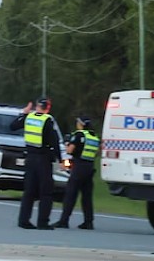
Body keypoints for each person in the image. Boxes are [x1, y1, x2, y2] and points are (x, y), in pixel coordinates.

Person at [11, 97, 62, 229]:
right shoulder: (47, 120)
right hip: (43, 159)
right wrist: (60, 159)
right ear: (48, 108)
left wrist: (23, 113)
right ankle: (43, 222)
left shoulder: (29, 117)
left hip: (30, 158)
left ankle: (23, 220)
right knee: (46, 192)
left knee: (29, 191)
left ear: (36, 106)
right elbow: (54, 141)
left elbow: (13, 126)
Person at [52, 116, 100, 230]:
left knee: (70, 194)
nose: (76, 124)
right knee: (86, 196)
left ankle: (64, 220)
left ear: (81, 124)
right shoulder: (94, 137)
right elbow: (97, 152)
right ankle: (88, 222)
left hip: (79, 166)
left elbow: (70, 150)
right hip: (89, 166)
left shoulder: (79, 135)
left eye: (78, 122)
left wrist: (68, 143)